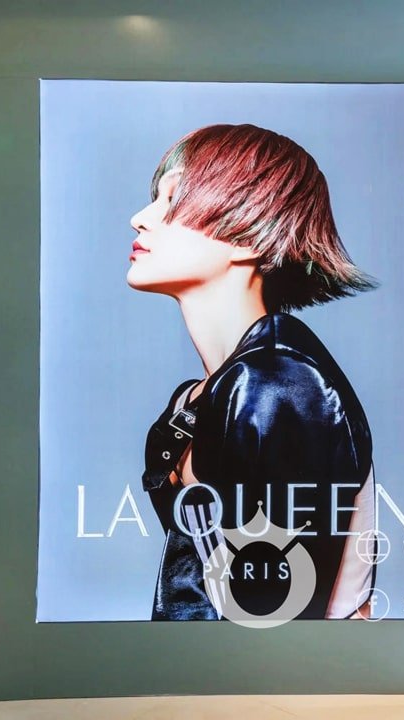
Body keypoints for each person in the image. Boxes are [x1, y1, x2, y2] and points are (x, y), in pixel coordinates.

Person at [129, 124, 377, 621]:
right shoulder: (204, 394)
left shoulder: (277, 382)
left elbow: (277, 619)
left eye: (172, 202)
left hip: (271, 670)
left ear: (246, 234)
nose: (140, 219)